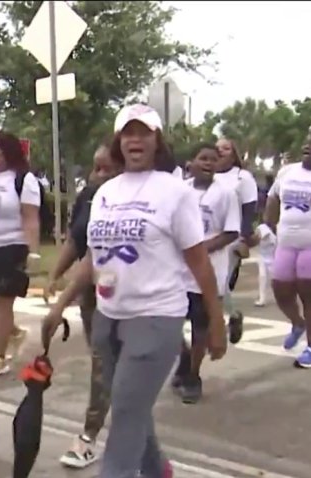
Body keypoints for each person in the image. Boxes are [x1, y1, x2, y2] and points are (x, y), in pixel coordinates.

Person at [42, 104, 227, 478]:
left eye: (144, 132)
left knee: (125, 414)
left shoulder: (175, 193)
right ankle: (157, 469)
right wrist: (59, 305)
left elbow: (199, 262)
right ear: (118, 141)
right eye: (128, 133)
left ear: (157, 140)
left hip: (156, 318)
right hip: (109, 318)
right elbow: (95, 257)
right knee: (132, 407)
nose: (135, 140)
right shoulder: (106, 192)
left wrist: (217, 322)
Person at [46, 140, 122, 469]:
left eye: (107, 168)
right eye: (96, 167)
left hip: (129, 296)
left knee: (106, 365)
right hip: (93, 293)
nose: (97, 175)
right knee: (104, 362)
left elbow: (96, 255)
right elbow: (79, 239)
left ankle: (90, 436)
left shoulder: (128, 202)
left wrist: (60, 303)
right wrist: (54, 275)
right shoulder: (90, 197)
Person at [170, 143, 240, 404]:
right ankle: (184, 357)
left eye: (213, 159)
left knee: (201, 328)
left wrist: (198, 249)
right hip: (177, 273)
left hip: (206, 273)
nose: (209, 163)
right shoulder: (180, 191)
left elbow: (231, 231)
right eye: (203, 158)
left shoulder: (226, 194)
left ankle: (193, 377)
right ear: (191, 163)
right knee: (168, 323)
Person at [0, 131, 41, 379]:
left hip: (12, 246)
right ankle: (13, 332)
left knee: (3, 302)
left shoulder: (24, 180)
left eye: (0, 154)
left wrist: (33, 252)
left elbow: (30, 217)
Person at [263, 128, 311, 368]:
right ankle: (298, 323)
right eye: (307, 140)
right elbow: (273, 199)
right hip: (285, 243)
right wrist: (268, 226)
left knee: (308, 293)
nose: (308, 145)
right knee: (280, 289)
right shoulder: (287, 172)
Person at [215, 137, 258, 343]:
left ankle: (228, 318)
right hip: (206, 238)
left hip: (232, 238)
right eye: (218, 148)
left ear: (233, 154)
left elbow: (249, 209)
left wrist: (245, 237)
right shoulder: (206, 175)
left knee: (221, 283)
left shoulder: (243, 177)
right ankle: (229, 315)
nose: (221, 151)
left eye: (226, 148)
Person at [254, 223, 277, 307]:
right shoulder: (261, 230)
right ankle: (262, 299)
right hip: (262, 258)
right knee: (262, 277)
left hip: (272, 259)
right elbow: (259, 236)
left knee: (274, 279)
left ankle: (279, 296)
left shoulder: (274, 237)